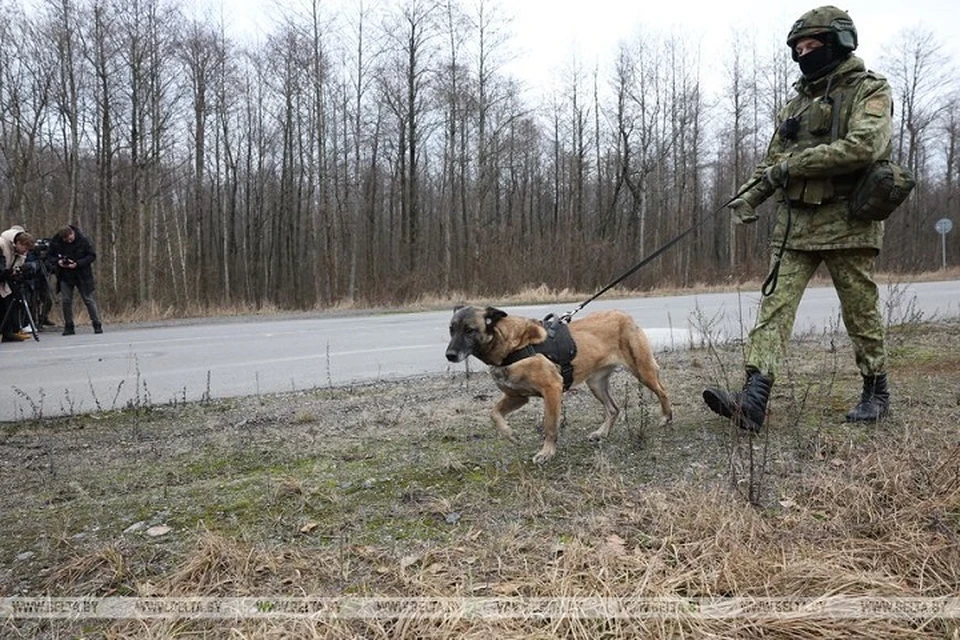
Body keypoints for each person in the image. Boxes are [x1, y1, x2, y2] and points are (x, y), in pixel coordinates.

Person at [702, 6, 894, 430]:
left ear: (838, 44)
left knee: (860, 313)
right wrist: (747, 197)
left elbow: (865, 146)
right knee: (772, 311)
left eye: (813, 45)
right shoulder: (796, 104)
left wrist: (795, 166)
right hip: (795, 227)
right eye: (799, 48)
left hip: (849, 223)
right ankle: (753, 399)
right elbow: (773, 162)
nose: (804, 53)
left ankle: (876, 391)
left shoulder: (869, 90)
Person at [47, 224, 103, 336]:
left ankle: (96, 323)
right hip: (65, 274)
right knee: (66, 300)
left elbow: (92, 256)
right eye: (66, 240)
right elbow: (49, 256)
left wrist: (78, 264)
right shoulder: (56, 242)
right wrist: (58, 262)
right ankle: (69, 325)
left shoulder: (83, 240)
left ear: (72, 233)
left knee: (88, 299)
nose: (68, 241)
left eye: (70, 239)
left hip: (82, 274)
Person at [0, 227, 37, 342]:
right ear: (18, 243)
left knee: (9, 302)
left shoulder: (20, 252)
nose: (25, 252)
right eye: (25, 248)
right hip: (3, 274)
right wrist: (9, 272)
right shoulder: (2, 245)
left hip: (6, 278)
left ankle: (8, 331)